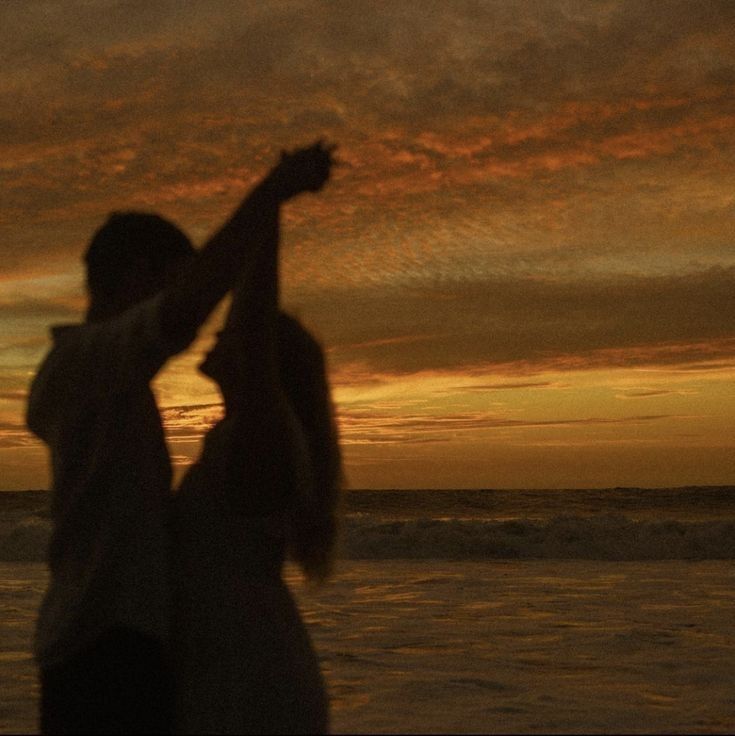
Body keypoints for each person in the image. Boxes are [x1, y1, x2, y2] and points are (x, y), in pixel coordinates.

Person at [25, 141, 334, 735]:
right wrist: (272, 194)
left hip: (151, 657)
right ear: (139, 275)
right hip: (104, 650)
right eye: (170, 281)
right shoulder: (83, 366)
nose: (198, 332)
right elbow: (187, 313)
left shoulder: (119, 385)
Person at [171, 148, 341, 734]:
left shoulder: (263, 433)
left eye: (235, 330)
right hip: (235, 667)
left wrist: (271, 197)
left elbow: (254, 309)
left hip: (252, 680)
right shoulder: (235, 436)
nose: (220, 331)